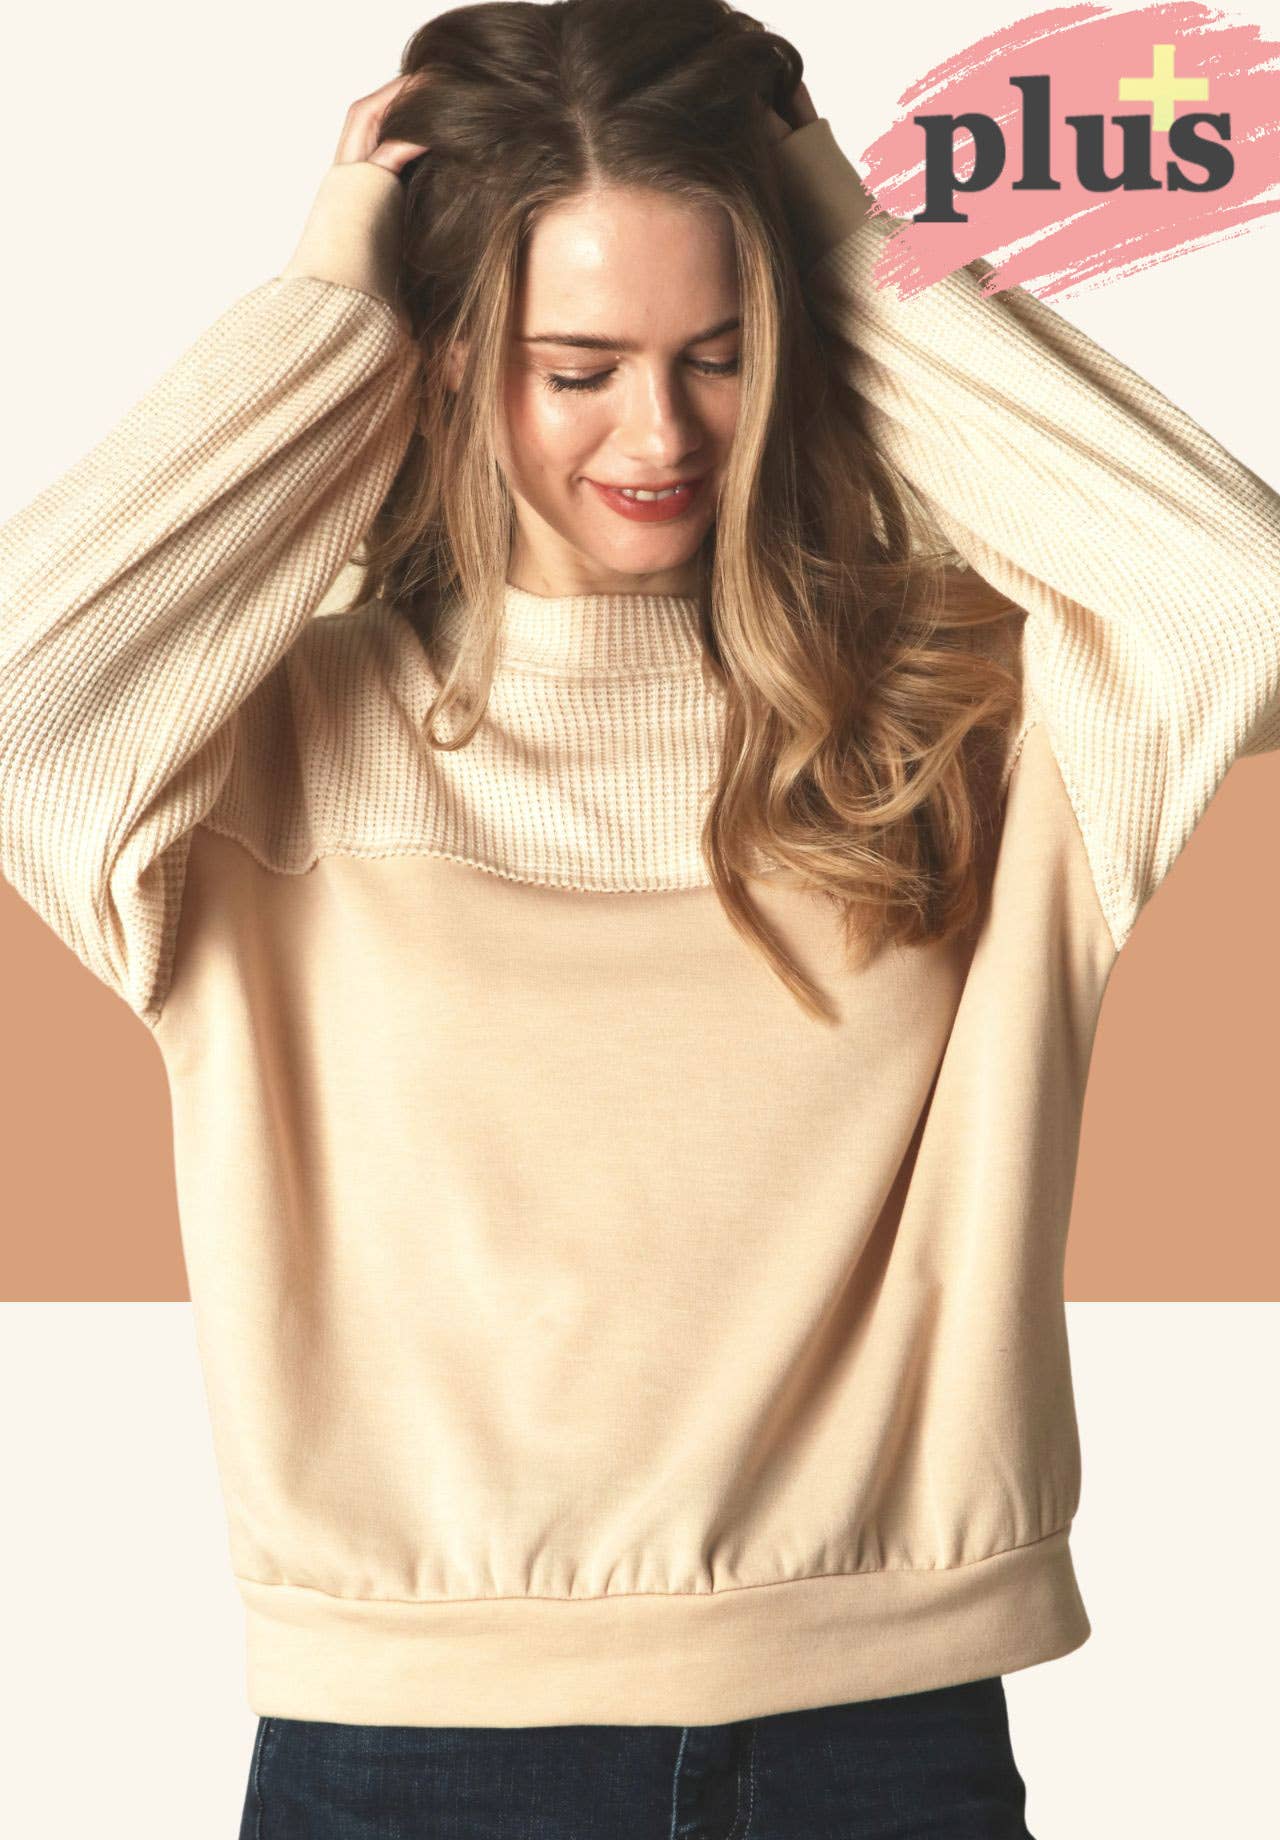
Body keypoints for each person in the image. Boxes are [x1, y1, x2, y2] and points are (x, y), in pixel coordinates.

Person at [2, 0, 1276, 1834]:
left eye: (722, 353)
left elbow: (1244, 602)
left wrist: (849, 236)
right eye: (577, 366)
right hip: (416, 1751)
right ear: (452, 358)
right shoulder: (257, 751)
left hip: (884, 1732)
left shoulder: (971, 714)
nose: (660, 432)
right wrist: (332, 310)